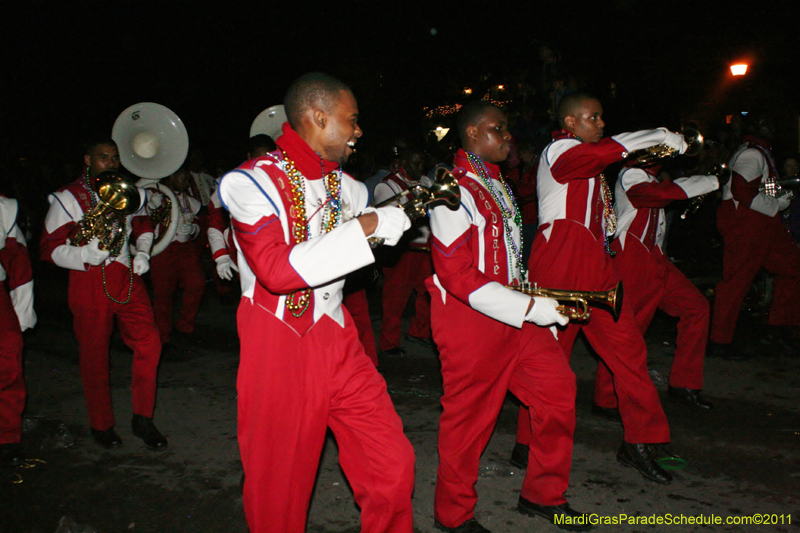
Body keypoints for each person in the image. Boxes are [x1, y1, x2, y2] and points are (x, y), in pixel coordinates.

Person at [217, 72, 415, 533]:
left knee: (392, 463)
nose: (359, 131)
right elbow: (275, 270)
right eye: (353, 120)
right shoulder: (250, 183)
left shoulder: (350, 188)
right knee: (278, 489)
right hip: (277, 338)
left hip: (337, 333)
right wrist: (366, 228)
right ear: (318, 117)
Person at [428, 101, 587, 532]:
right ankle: (453, 516)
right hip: (470, 321)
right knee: (469, 422)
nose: (508, 136)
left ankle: (543, 494)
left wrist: (536, 304)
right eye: (500, 129)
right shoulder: (453, 187)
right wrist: (533, 308)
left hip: (517, 315)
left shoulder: (497, 183)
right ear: (475, 133)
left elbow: (511, 257)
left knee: (558, 392)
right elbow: (455, 274)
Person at [517, 93, 689, 485]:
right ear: (570, 122)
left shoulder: (594, 165)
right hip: (561, 260)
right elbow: (590, 158)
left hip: (596, 264)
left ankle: (640, 441)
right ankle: (528, 442)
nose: (600, 123)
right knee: (548, 360)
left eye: (601, 117)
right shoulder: (559, 149)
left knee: (630, 352)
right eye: (592, 117)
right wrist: (653, 136)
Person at [39, 139, 167, 450]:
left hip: (126, 275)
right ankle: (101, 424)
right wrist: (83, 256)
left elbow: (143, 224)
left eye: (114, 158)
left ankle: (143, 418)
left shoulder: (126, 189)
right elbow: (47, 249)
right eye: (102, 157)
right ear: (87, 159)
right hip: (88, 280)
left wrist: (143, 253)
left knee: (149, 342)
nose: (109, 163)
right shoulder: (69, 197)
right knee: (94, 356)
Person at [591, 162, 723, 415]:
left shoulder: (648, 177)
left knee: (697, 308)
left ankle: (684, 385)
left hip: (655, 259)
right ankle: (606, 398)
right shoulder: (631, 175)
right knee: (627, 331)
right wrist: (711, 181)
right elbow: (659, 195)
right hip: (633, 262)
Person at [710, 115, 800, 357]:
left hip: (761, 225)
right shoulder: (752, 154)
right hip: (748, 225)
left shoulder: (757, 152)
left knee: (792, 268)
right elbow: (742, 191)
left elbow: (756, 188)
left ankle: (779, 327)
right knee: (735, 283)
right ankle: (719, 341)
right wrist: (777, 205)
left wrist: (778, 198)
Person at [373, 143, 434, 356]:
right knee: (395, 300)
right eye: (414, 162)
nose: (419, 167)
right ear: (402, 163)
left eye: (421, 162)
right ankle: (389, 342)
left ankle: (418, 331)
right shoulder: (387, 186)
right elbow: (390, 218)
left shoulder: (426, 181)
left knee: (429, 295)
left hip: (425, 248)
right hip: (401, 252)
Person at [147, 167, 205, 345]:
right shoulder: (154, 195)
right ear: (170, 176)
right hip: (162, 250)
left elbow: (198, 224)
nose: (185, 180)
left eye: (186, 177)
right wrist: (151, 207)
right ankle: (162, 334)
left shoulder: (191, 202)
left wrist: (193, 229)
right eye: (181, 176)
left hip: (185, 249)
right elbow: (139, 221)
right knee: (163, 294)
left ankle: (185, 325)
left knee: (197, 283)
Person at [0, 194, 36, 466]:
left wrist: (22, 312)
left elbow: (17, 257)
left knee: (9, 361)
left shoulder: (4, 207)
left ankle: (8, 438)